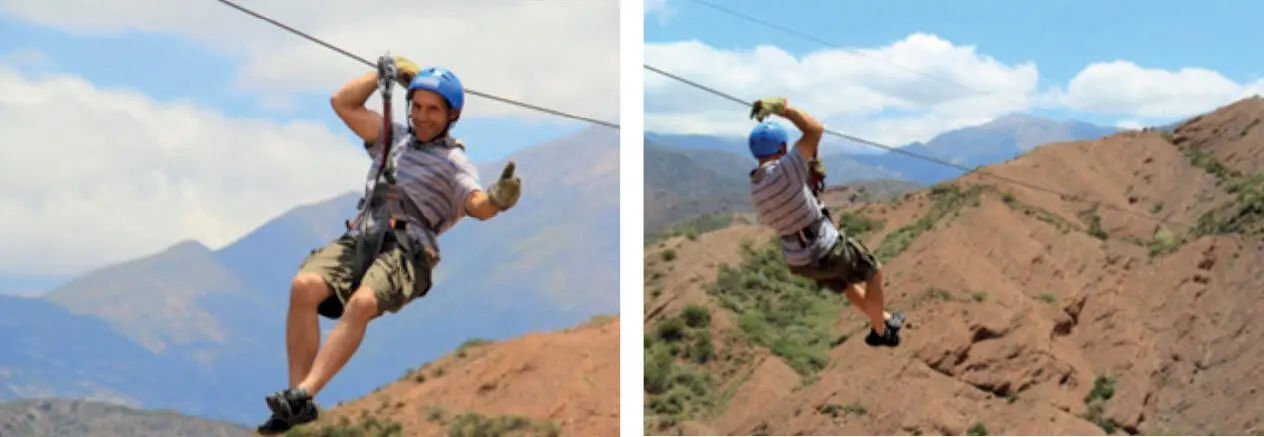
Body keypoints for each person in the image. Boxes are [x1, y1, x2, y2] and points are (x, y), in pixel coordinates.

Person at [255, 56, 522, 435]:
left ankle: (304, 392)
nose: (423, 116)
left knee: (363, 302)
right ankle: (295, 401)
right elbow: (342, 103)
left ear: (452, 116)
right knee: (304, 287)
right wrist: (387, 73)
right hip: (364, 236)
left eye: (433, 109)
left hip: (408, 251)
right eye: (417, 106)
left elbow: (477, 206)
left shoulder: (454, 162)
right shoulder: (391, 138)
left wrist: (497, 198)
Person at [745, 96, 904, 348]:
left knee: (847, 285)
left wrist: (807, 173)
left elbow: (791, 196)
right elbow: (815, 129)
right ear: (783, 148)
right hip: (823, 247)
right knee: (873, 271)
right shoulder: (786, 169)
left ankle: (883, 318)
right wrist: (783, 110)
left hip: (799, 261)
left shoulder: (756, 184)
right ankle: (880, 333)